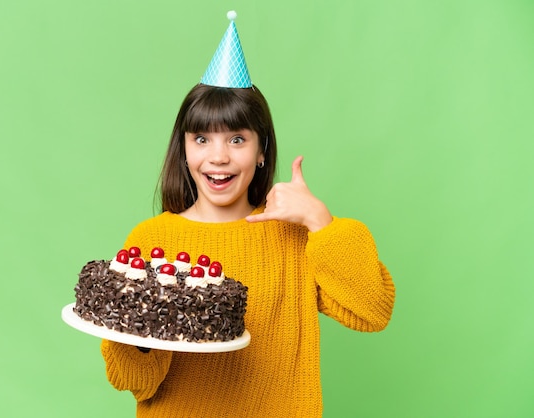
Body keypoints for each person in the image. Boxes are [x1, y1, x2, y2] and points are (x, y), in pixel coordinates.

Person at [100, 12, 395, 418]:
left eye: (237, 139)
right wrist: (142, 330)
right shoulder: (152, 241)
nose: (218, 156)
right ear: (184, 151)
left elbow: (373, 309)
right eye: (202, 138)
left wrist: (321, 222)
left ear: (261, 151)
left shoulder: (294, 237)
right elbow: (133, 380)